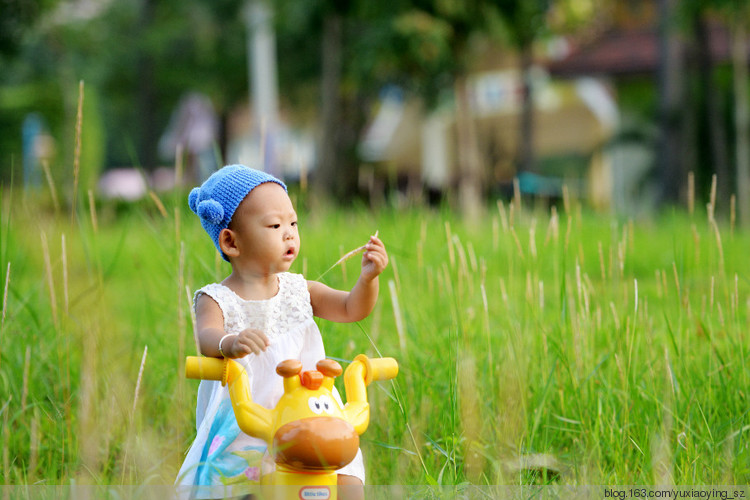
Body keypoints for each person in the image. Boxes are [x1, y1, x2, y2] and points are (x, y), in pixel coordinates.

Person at [176, 164, 388, 498]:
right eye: (275, 225)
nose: (289, 233)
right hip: (250, 418)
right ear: (231, 242)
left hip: (311, 410)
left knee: (343, 472)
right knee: (245, 480)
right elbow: (206, 338)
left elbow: (351, 308)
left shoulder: (300, 290)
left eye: (293, 223)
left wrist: (368, 279)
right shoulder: (216, 299)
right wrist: (229, 343)